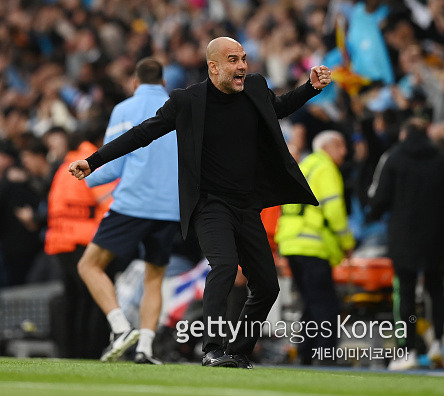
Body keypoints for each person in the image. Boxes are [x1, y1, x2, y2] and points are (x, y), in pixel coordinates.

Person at [69, 37, 330, 369]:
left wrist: (309, 87)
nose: (242, 66)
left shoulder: (254, 87)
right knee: (223, 267)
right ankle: (212, 348)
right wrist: (94, 161)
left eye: (244, 59)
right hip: (209, 205)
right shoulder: (187, 100)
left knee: (267, 286)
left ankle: (238, 350)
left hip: (247, 205)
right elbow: (143, 133)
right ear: (213, 67)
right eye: (233, 60)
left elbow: (277, 107)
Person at [75, 58, 181, 365]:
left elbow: (114, 164)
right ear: (163, 83)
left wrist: (87, 177)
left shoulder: (124, 109)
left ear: (135, 82)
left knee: (89, 266)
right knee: (154, 278)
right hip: (170, 208)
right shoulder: (180, 107)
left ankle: (121, 328)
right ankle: (145, 348)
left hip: (134, 202)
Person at [368, 118, 444, 370]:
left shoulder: (395, 158)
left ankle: (407, 349)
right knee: (436, 292)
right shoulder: (441, 158)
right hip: (435, 235)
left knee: (406, 296)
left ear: (404, 135)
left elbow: (379, 200)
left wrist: (375, 212)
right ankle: (438, 344)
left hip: (404, 236)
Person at [275, 130, 355, 365]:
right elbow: (334, 211)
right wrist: (347, 243)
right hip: (312, 244)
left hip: (291, 243)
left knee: (310, 303)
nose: (345, 151)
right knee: (326, 305)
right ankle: (326, 356)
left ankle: (306, 355)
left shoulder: (306, 164)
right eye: (340, 146)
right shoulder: (325, 168)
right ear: (327, 147)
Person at [45, 129, 116, 358]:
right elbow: (110, 204)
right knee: (94, 299)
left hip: (60, 241)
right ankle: (91, 352)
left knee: (72, 299)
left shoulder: (64, 165)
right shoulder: (93, 161)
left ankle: (69, 352)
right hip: (85, 240)